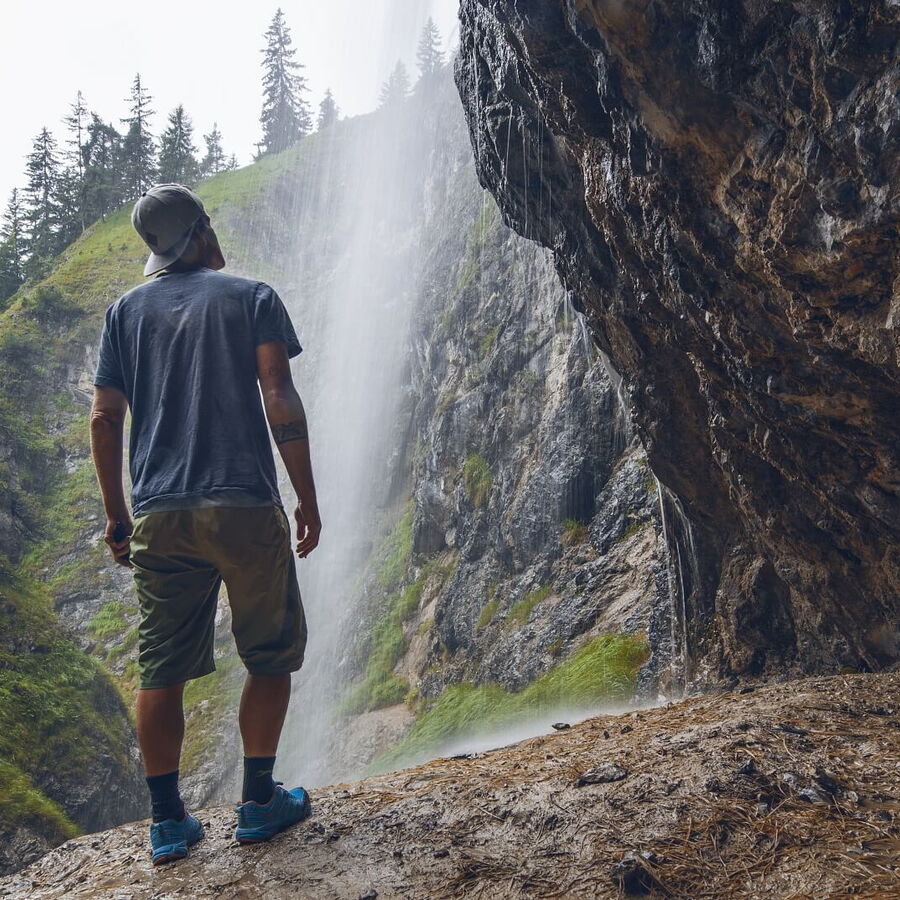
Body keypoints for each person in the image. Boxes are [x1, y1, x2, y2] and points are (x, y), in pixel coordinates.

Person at [89, 183, 322, 865]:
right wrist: (305, 496)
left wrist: (116, 515)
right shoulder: (252, 297)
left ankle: (167, 823)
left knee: (160, 670)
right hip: (245, 504)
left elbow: (105, 418)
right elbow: (278, 394)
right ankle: (258, 804)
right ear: (198, 233)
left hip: (160, 514)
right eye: (209, 224)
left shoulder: (124, 314)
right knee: (269, 652)